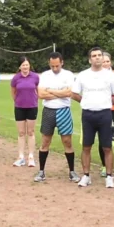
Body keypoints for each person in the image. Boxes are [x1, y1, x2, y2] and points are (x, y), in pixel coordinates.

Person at [72, 47, 114, 189]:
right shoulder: (83, 75)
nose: (97, 58)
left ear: (102, 58)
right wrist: (84, 102)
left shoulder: (110, 75)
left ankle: (109, 176)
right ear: (90, 59)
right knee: (86, 146)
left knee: (107, 147)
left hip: (105, 115)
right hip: (88, 114)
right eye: (94, 56)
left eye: (99, 55)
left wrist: (107, 103)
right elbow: (74, 93)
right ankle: (86, 175)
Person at [34, 51, 78, 183]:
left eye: (57, 66)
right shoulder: (45, 75)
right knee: (45, 141)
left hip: (64, 110)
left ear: (62, 63)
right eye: (52, 66)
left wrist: (51, 91)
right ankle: (41, 171)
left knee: (67, 142)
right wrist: (61, 93)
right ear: (49, 63)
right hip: (48, 111)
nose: (55, 68)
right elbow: (41, 94)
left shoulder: (68, 75)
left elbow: (70, 92)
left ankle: (72, 171)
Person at [10, 57, 40, 168]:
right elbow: (13, 92)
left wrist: (34, 101)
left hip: (32, 107)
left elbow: (37, 90)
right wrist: (18, 101)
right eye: (23, 65)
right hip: (19, 108)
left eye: (27, 65)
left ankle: (31, 157)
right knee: (21, 133)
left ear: (29, 65)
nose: (25, 67)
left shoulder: (35, 77)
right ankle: (21, 157)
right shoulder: (15, 78)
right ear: (20, 67)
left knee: (31, 132)